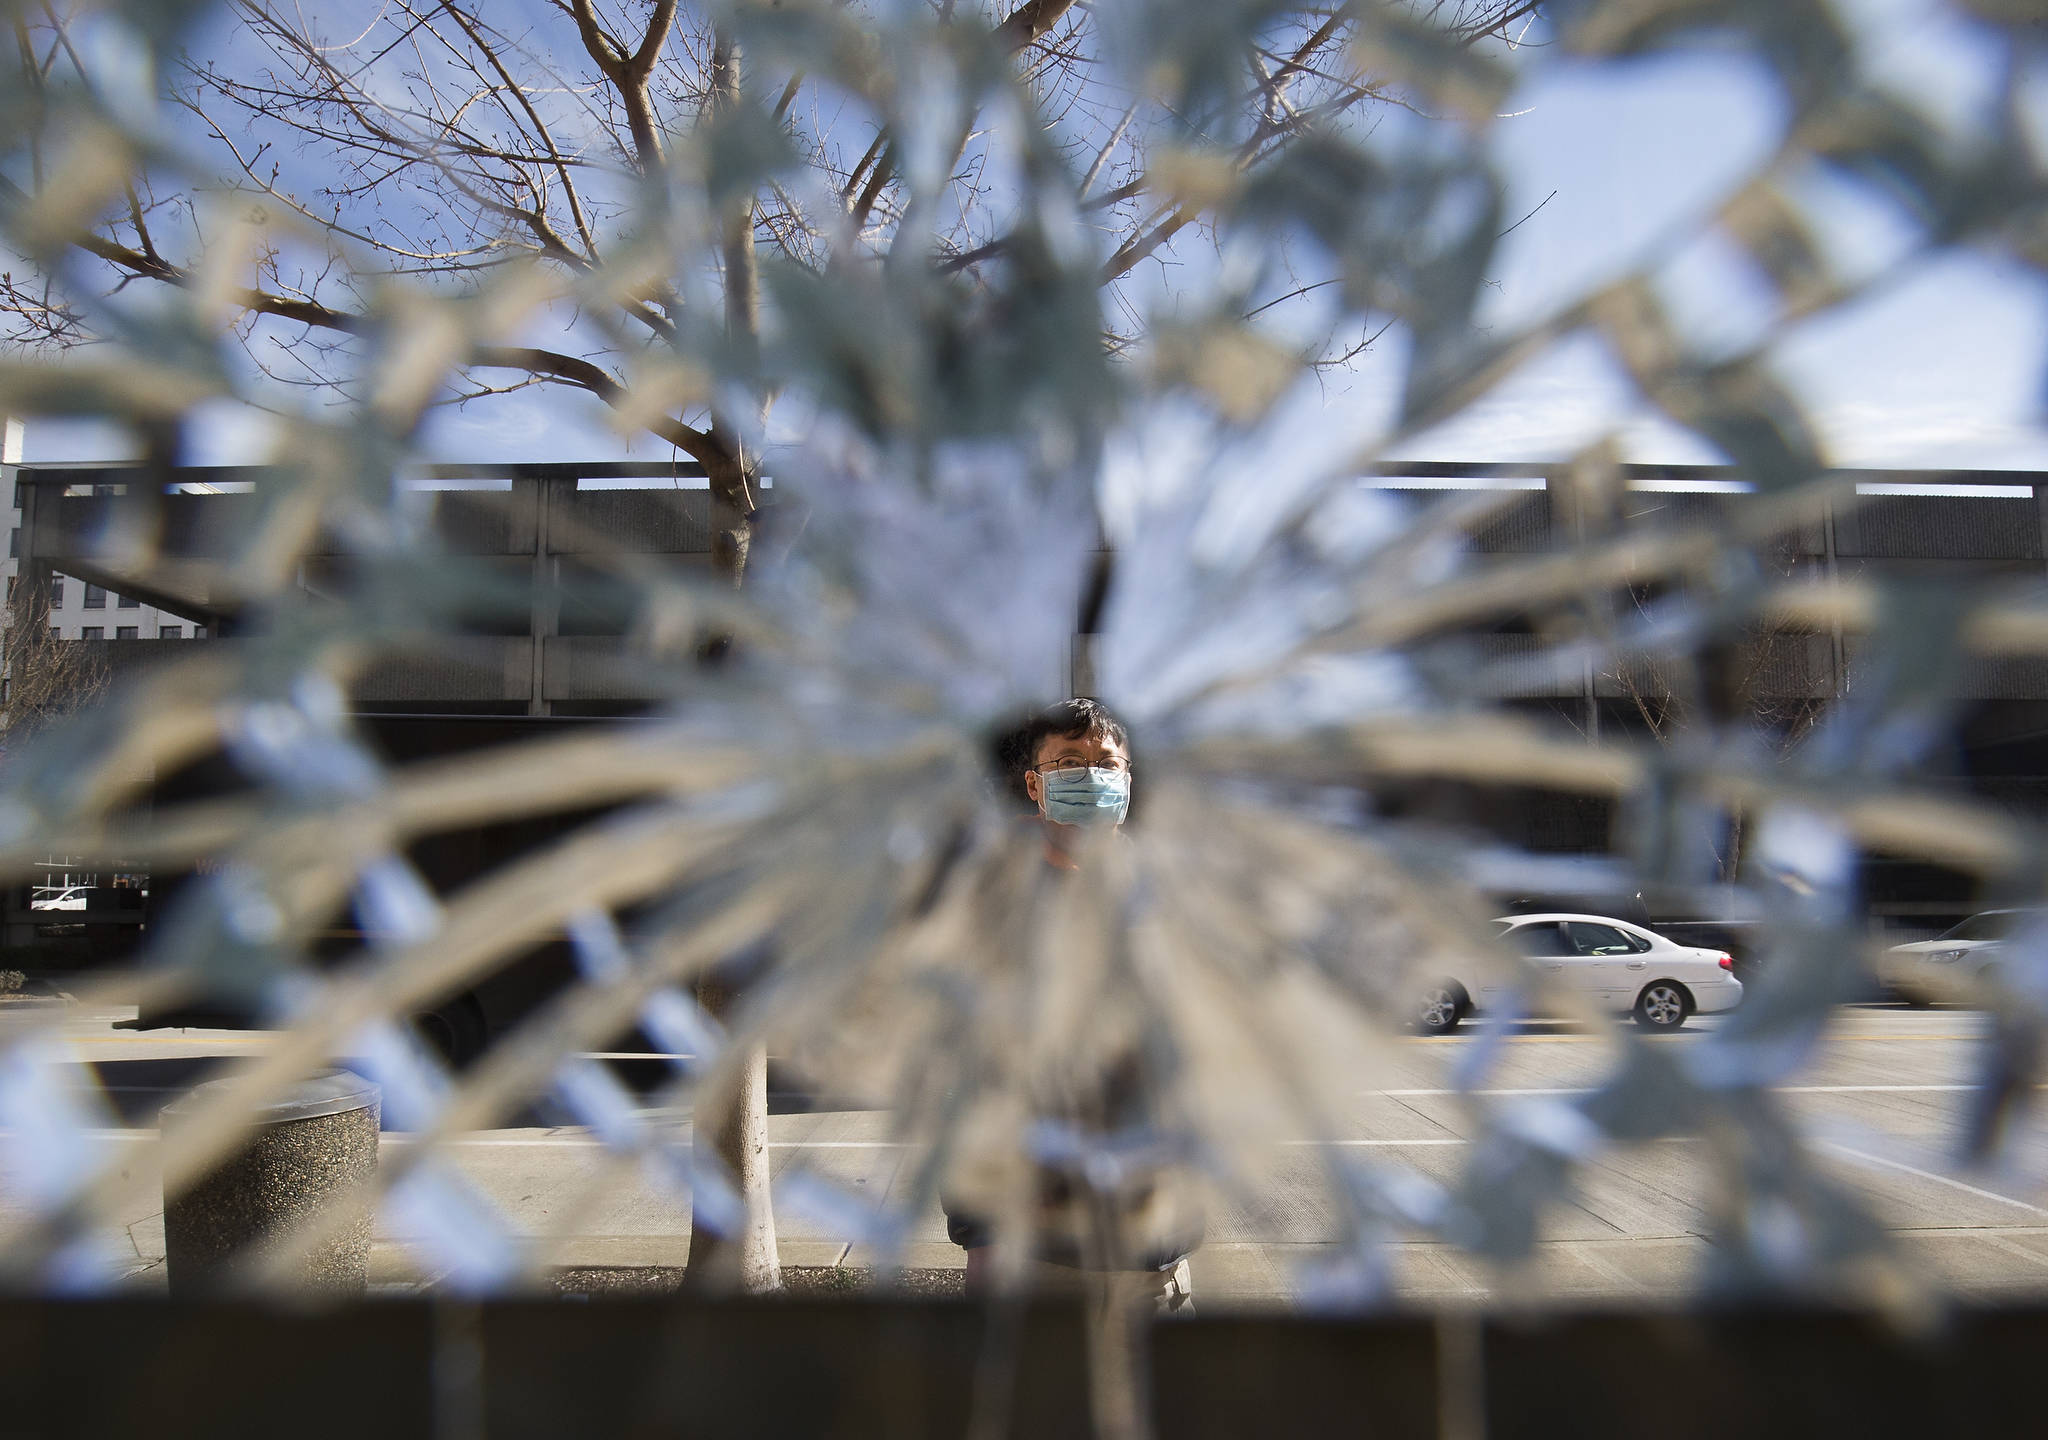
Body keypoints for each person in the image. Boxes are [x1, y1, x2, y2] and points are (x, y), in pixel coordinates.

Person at [946, 697, 1201, 1312]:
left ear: (1128, 781)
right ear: (1034, 785)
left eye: (1104, 762)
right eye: (1067, 762)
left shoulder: (1170, 901)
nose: (1089, 776)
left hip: (1152, 1248)